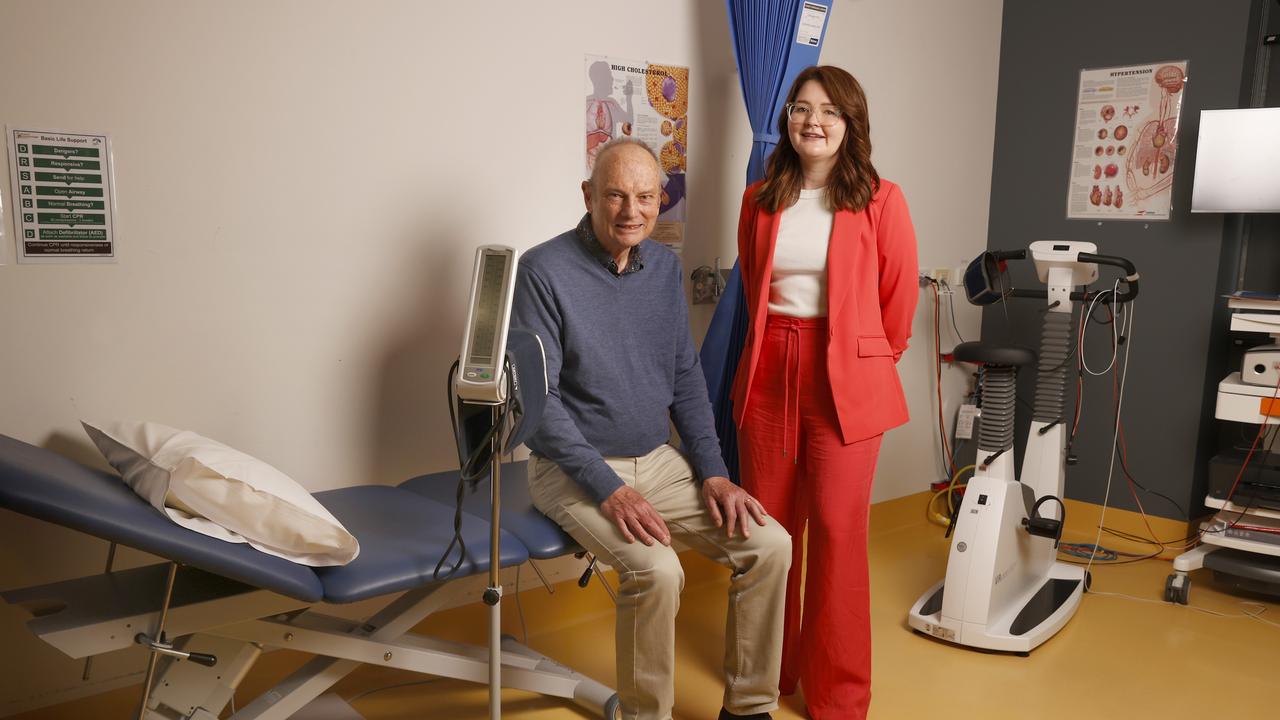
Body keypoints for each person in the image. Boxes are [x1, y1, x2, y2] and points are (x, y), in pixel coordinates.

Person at [514, 137, 793, 720]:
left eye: (644, 197)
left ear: (659, 200)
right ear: (588, 195)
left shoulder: (663, 267)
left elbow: (686, 378)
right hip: (571, 467)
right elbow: (538, 405)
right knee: (658, 571)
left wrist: (714, 472)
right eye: (614, 194)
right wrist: (608, 487)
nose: (630, 210)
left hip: (657, 460)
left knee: (770, 544)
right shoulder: (541, 270)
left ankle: (748, 707)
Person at [731, 66, 919, 719]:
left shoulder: (880, 199)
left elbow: (898, 306)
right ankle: (768, 673)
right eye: (802, 108)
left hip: (847, 376)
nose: (814, 120)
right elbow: (756, 291)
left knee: (839, 534)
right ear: (788, 118)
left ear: (850, 123)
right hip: (770, 371)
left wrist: (861, 363)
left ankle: (838, 695)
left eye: (830, 110)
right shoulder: (759, 199)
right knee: (767, 534)